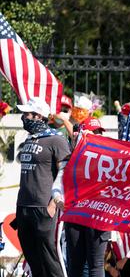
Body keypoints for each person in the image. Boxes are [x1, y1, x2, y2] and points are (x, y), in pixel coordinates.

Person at [15, 97, 68, 277]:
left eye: (27, 114)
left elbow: (65, 173)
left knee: (50, 259)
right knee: (33, 259)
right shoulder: (30, 139)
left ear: (38, 116)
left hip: (44, 208)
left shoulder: (56, 140)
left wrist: (53, 204)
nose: (24, 117)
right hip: (24, 207)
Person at [52, 116, 111, 277]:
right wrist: (58, 199)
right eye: (93, 132)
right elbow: (58, 185)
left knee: (96, 265)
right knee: (76, 265)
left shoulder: (110, 159)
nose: (97, 136)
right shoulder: (69, 159)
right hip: (75, 216)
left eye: (99, 132)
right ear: (82, 135)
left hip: (98, 216)